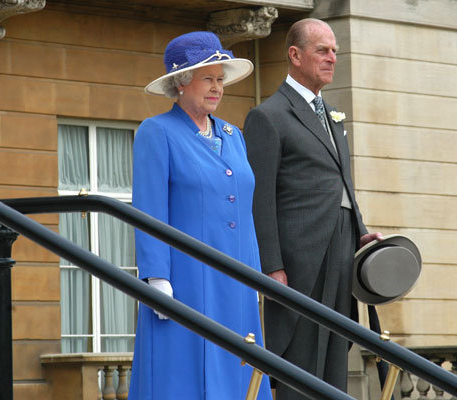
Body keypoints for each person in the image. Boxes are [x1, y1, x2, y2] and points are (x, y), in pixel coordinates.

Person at [243, 18, 383, 398]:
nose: (332, 57)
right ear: (295, 55)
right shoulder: (267, 116)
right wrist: (271, 267)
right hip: (298, 262)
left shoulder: (334, 118)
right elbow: (261, 198)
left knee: (335, 359)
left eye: (334, 50)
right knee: (299, 367)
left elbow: (341, 186)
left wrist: (360, 233)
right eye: (322, 50)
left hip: (340, 253)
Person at [128, 31, 272, 400]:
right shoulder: (156, 132)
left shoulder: (233, 135)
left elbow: (244, 206)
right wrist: (156, 278)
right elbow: (149, 210)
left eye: (220, 79)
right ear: (181, 82)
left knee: (239, 372)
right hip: (185, 280)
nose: (217, 88)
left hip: (236, 280)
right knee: (183, 376)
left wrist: (257, 274)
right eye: (207, 78)